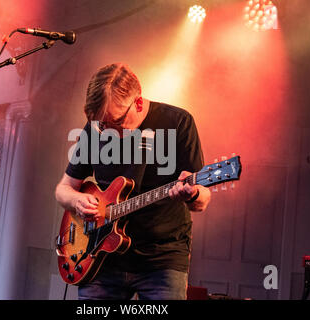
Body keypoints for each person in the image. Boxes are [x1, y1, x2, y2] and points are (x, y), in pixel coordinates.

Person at [55, 63, 211, 300]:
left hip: (161, 260)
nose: (107, 131)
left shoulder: (178, 122)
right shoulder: (96, 129)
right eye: (101, 125)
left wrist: (192, 194)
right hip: (101, 258)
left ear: (137, 103)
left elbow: (202, 200)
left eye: (114, 123)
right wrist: (77, 201)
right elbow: (63, 190)